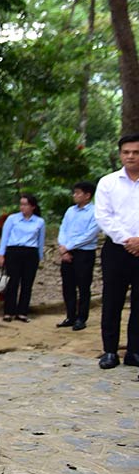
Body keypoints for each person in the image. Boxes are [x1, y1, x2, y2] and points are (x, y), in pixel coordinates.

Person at [95, 133, 139, 370]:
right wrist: (127, 240)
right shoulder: (108, 183)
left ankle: (134, 351)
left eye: (136, 152)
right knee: (112, 301)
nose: (131, 156)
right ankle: (110, 351)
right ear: (120, 154)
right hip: (116, 249)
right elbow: (103, 216)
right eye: (126, 152)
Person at [0, 193, 45, 323]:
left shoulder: (39, 221)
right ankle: (8, 311)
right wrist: (1, 254)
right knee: (12, 282)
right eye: (21, 204)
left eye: (25, 204)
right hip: (13, 251)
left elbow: (40, 241)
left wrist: (39, 257)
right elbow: (5, 237)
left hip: (31, 253)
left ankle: (22, 312)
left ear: (32, 207)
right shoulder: (12, 219)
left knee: (27, 283)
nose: (22, 207)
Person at [57, 181, 99, 332]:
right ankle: (70, 316)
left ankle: (82, 317)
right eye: (74, 192)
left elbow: (89, 235)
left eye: (78, 193)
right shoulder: (70, 211)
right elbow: (63, 229)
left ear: (87, 195)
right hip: (66, 252)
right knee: (68, 285)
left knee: (83, 286)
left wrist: (69, 246)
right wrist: (63, 249)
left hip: (84, 252)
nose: (74, 195)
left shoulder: (95, 212)